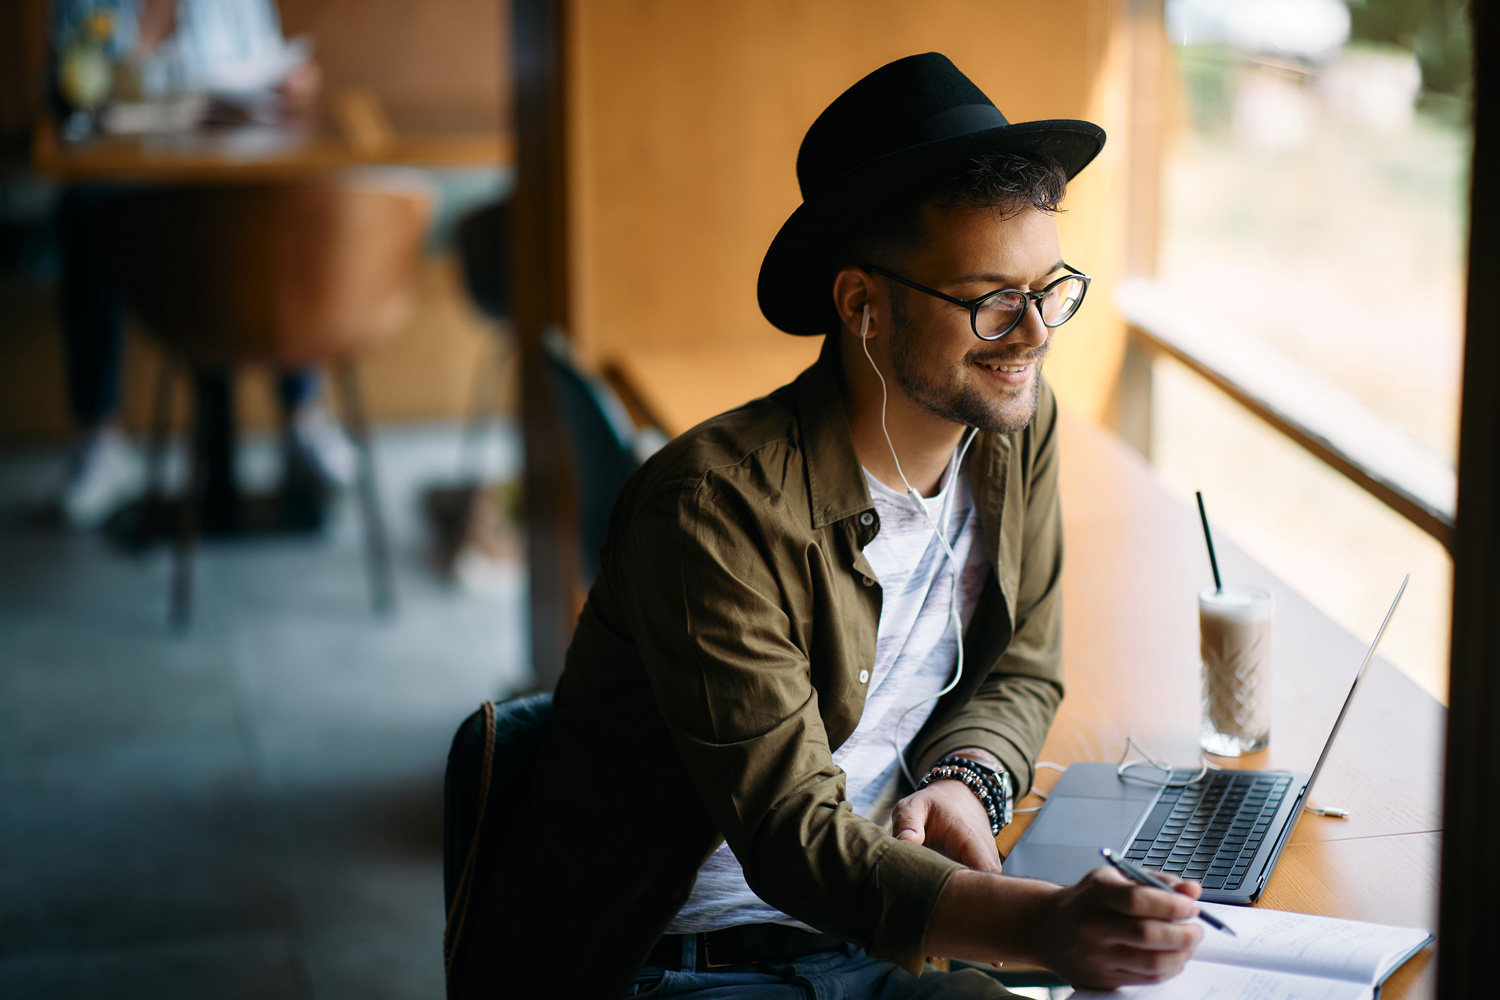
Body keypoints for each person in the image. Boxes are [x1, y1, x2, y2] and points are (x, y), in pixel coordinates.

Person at [462, 54, 1205, 998]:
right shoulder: (712, 513)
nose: (1034, 336)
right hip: (689, 961)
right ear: (862, 304)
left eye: (1047, 289)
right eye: (991, 303)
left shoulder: (1013, 424)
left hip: (888, 933)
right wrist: (1045, 927)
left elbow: (1022, 657)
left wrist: (968, 779)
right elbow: (793, 839)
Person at [50, 0, 348, 529]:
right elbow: (70, 91)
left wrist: (288, 83)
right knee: (83, 207)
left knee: (286, 203)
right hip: (134, 183)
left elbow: (267, 67)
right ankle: (101, 438)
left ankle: (302, 419)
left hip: (229, 173)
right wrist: (144, 34)